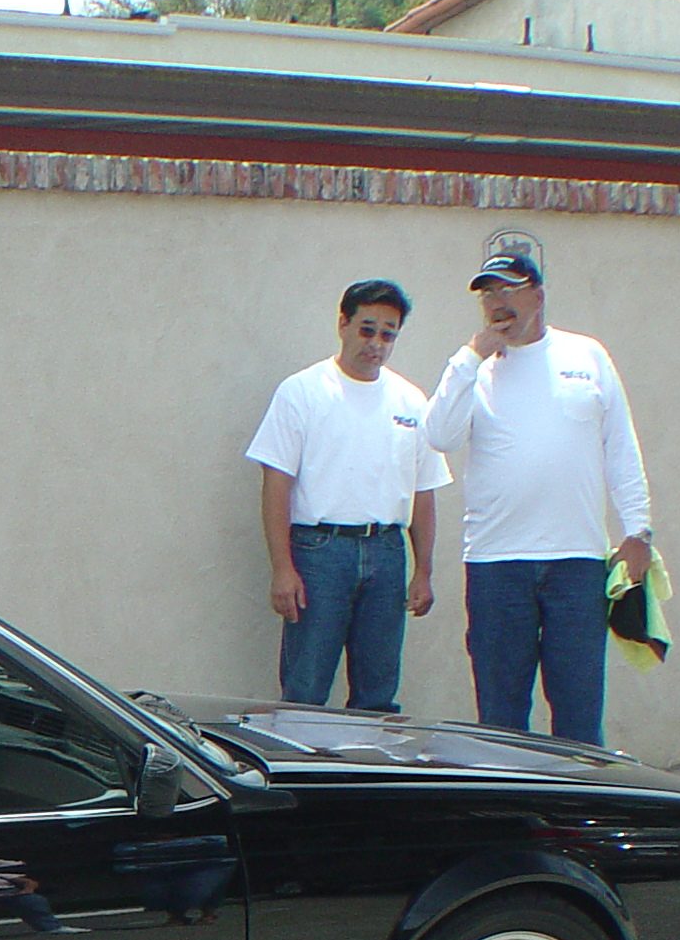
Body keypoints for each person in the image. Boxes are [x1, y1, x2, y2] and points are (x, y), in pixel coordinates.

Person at [422, 251, 652, 748]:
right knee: (501, 720)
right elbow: (439, 435)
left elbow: (621, 447)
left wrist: (638, 532)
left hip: (577, 564)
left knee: (578, 715)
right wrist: (470, 358)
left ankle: (580, 798)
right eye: (488, 293)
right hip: (496, 566)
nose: (497, 303)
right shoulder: (476, 370)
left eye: (508, 290)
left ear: (538, 295)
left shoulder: (587, 355)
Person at [245, 278, 449, 713]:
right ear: (343, 324)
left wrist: (424, 571)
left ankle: (368, 758)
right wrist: (282, 568)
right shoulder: (302, 392)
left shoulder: (411, 401)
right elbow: (276, 484)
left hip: (387, 553)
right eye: (366, 329)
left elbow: (424, 492)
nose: (376, 344)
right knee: (306, 686)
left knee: (378, 692)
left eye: (388, 334)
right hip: (319, 554)